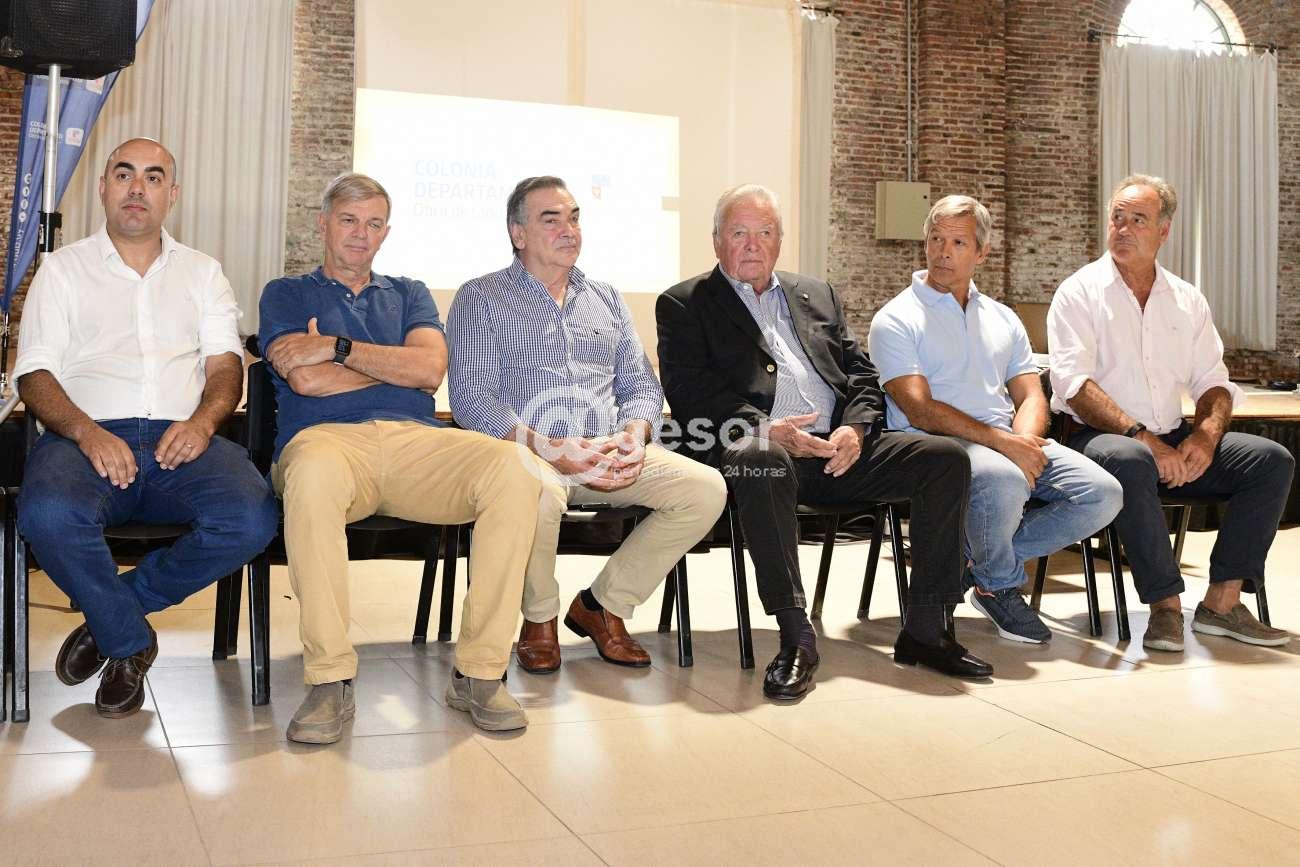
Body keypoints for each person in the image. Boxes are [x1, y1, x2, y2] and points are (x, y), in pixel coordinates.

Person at [657, 183, 993, 700]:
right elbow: (690, 393)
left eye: (764, 232)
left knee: (944, 458)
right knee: (761, 458)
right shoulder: (685, 304)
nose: (752, 244)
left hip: (837, 452)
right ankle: (796, 637)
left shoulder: (816, 294)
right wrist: (768, 428)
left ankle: (927, 629)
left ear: (780, 239)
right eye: (739, 233)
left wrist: (854, 429)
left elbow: (861, 374)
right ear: (717, 240)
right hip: (760, 451)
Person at [259, 172, 541, 742]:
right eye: (348, 221)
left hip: (418, 443)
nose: (361, 234)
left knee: (513, 467)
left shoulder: (410, 292)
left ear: (386, 232)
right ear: (323, 224)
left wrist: (336, 348)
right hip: (327, 442)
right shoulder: (285, 293)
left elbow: (430, 370)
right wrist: (392, 366)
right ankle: (330, 680)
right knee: (311, 475)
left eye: (374, 224)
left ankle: (480, 672)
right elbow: (306, 382)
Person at [15, 138, 278, 718]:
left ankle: (116, 613)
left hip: (182, 438)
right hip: (84, 438)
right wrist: (86, 432)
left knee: (252, 517)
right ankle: (130, 641)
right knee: (48, 514)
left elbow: (225, 367)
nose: (138, 188)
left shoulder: (203, 273)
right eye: (124, 174)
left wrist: (204, 423)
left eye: (153, 177)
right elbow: (33, 373)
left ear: (171, 194)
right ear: (103, 188)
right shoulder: (61, 270)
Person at [448, 176, 726, 673]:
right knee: (535, 492)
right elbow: (472, 400)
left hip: (609, 454)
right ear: (518, 234)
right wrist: (552, 448)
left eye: (574, 218)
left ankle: (603, 605)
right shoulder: (481, 298)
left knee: (705, 489)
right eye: (551, 219)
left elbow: (641, 385)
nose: (568, 230)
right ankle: (539, 619)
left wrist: (634, 436)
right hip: (531, 455)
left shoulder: (606, 298)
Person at [1048, 173, 1293, 652]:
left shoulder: (1186, 299)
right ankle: (1164, 607)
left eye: (1138, 219)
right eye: (1117, 217)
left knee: (1270, 460)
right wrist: (1145, 439)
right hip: (1095, 439)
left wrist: (1204, 438)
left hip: (1170, 436)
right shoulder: (1079, 292)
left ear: (1164, 231)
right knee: (1132, 459)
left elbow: (1213, 381)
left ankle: (1222, 604)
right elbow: (1073, 386)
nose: (1122, 228)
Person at [869, 195, 1122, 644]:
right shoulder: (896, 318)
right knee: (1003, 478)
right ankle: (998, 585)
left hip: (1004, 440)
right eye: (936, 239)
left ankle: (977, 565)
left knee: (1103, 494)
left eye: (958, 243)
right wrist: (1006, 448)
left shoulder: (1002, 317)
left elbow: (1030, 392)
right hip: (933, 445)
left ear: (982, 252)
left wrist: (1023, 443)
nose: (943, 252)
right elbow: (919, 408)